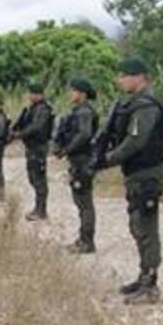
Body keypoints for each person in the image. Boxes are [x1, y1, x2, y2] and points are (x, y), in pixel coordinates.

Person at [94, 58, 163, 305]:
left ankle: (150, 284)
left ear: (139, 77)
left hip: (147, 174)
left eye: (124, 75)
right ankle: (143, 275)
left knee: (145, 227)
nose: (120, 80)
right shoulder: (132, 104)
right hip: (137, 174)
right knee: (138, 226)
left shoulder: (146, 106)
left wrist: (108, 160)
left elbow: (135, 142)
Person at [53, 77, 100, 253]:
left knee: (84, 202)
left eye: (73, 90)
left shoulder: (84, 112)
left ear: (82, 93)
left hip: (83, 160)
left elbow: (84, 134)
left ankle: (87, 242)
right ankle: (83, 239)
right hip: (79, 160)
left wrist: (66, 149)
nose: (70, 94)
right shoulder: (79, 111)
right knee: (81, 201)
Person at [8, 82, 55, 221]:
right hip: (31, 147)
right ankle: (38, 208)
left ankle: (41, 210)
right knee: (33, 177)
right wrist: (13, 132)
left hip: (39, 147)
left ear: (39, 94)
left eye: (32, 94)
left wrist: (19, 134)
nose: (30, 96)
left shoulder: (44, 109)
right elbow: (24, 123)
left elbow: (36, 127)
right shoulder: (32, 109)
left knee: (39, 179)